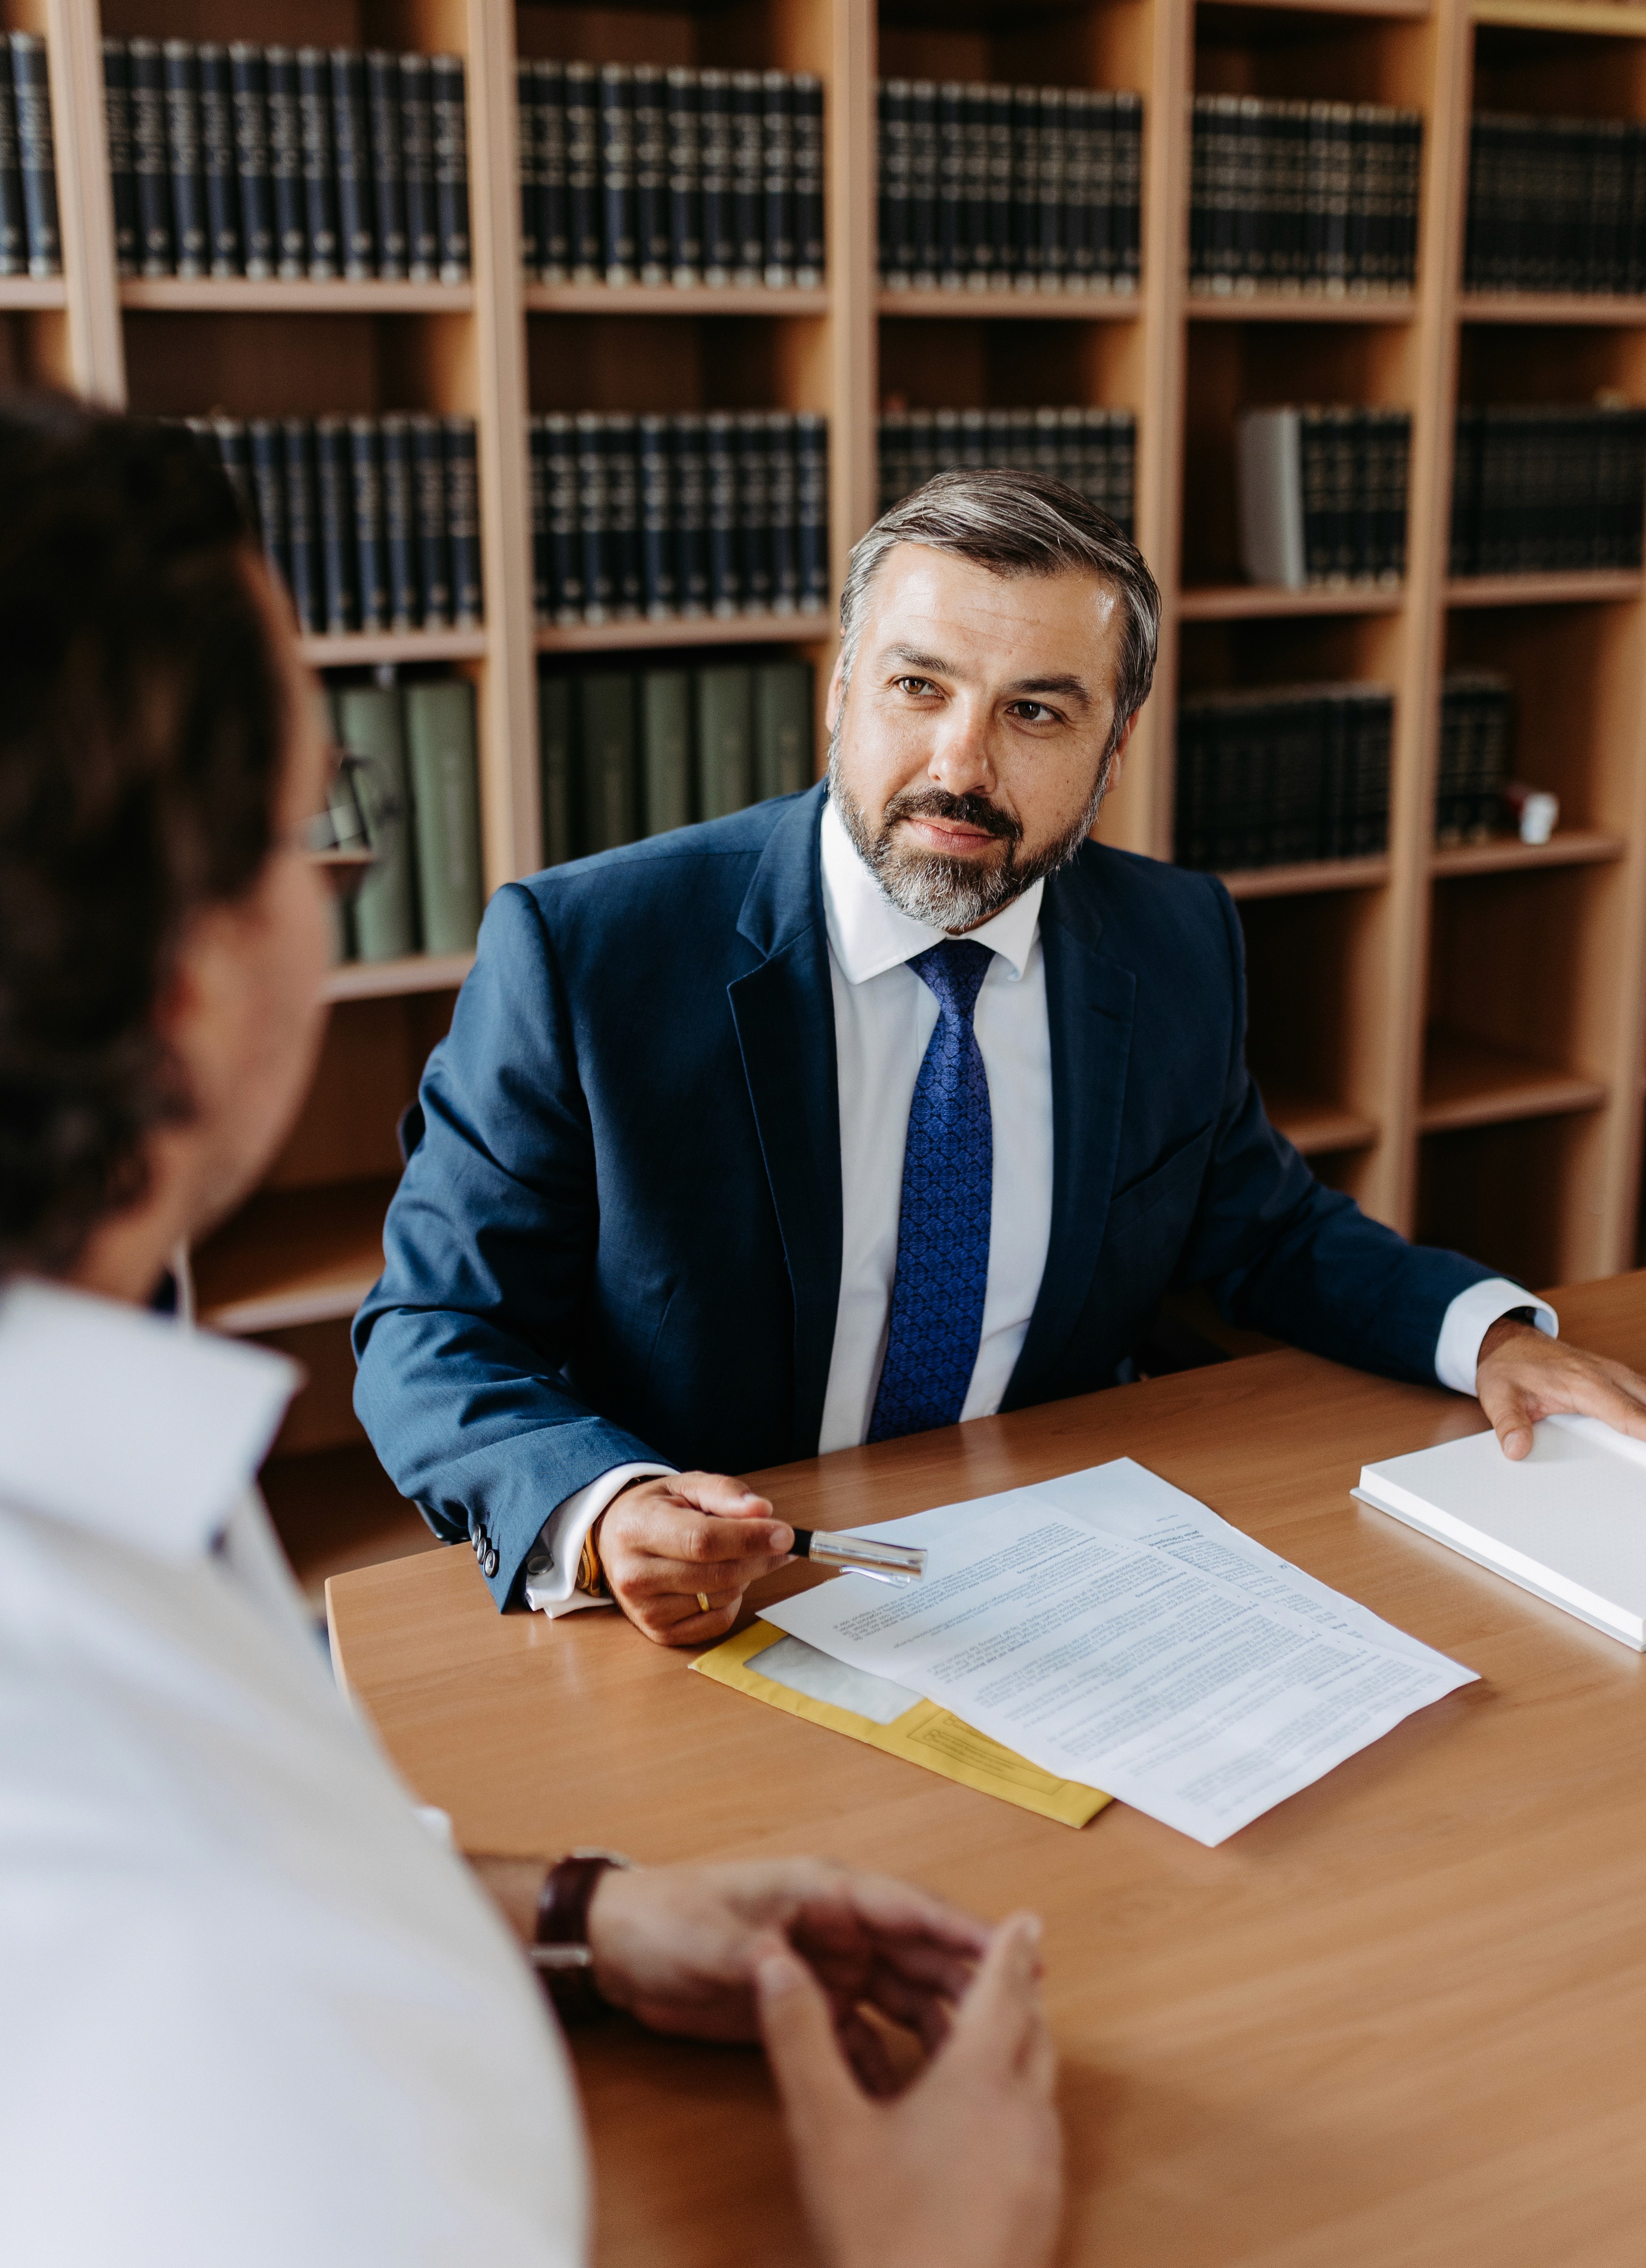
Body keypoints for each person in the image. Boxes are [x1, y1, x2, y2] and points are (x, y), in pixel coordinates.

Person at [0, 400, 1062, 2268]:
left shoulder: (93, 1453)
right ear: (196, 975)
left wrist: (573, 1916)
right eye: (312, 817)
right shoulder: (159, 1946)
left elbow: (262, 1853)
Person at [354, 468, 1646, 1649]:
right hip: (732, 1591)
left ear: (1114, 745)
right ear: (841, 692)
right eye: (918, 686)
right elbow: (430, 1331)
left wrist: (1485, 1335)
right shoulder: (590, 952)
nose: (962, 765)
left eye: (1038, 712)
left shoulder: (1174, 939)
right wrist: (603, 1511)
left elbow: (1261, 1225)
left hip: (1055, 1567)